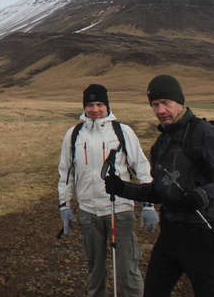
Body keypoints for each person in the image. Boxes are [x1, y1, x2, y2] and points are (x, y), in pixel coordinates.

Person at [104, 75, 214, 297]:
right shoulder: (161, 143)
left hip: (203, 233)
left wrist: (202, 195)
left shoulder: (204, 133)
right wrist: (122, 188)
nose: (160, 110)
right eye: (155, 104)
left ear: (180, 101)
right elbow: (159, 191)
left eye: (166, 102)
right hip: (170, 232)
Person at [58, 83, 157, 297]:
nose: (95, 109)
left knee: (127, 271)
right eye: (90, 104)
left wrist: (148, 204)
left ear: (107, 105)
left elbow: (141, 166)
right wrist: (64, 205)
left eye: (99, 104)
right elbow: (66, 172)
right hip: (88, 211)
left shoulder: (122, 131)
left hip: (119, 210)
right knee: (95, 271)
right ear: (84, 107)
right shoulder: (74, 135)